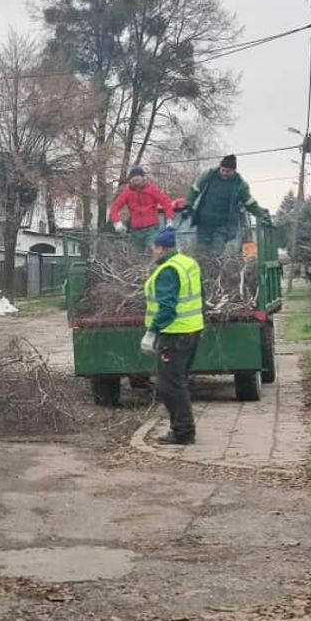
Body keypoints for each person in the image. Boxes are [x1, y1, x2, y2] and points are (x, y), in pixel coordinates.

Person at [140, 227, 204, 446]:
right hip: (191, 330)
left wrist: (152, 331)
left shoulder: (167, 271)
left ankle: (183, 432)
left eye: (155, 247)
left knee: (170, 386)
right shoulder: (188, 263)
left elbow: (167, 308)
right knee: (179, 382)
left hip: (174, 335)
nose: (153, 251)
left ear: (162, 248)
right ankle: (184, 429)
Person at [181, 154, 271, 256]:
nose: (224, 173)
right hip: (204, 222)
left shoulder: (239, 184)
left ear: (234, 171)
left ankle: (215, 269)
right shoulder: (210, 175)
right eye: (222, 170)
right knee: (202, 252)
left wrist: (261, 215)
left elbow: (249, 203)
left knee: (216, 253)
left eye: (227, 171)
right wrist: (188, 205)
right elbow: (195, 189)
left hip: (222, 226)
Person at [109, 165, 175, 251]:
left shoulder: (152, 189)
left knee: (153, 251)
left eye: (138, 176)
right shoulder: (127, 192)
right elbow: (115, 206)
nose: (135, 178)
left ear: (143, 177)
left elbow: (166, 202)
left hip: (151, 229)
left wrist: (169, 219)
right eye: (133, 177)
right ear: (130, 180)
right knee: (135, 256)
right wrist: (117, 222)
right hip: (135, 231)